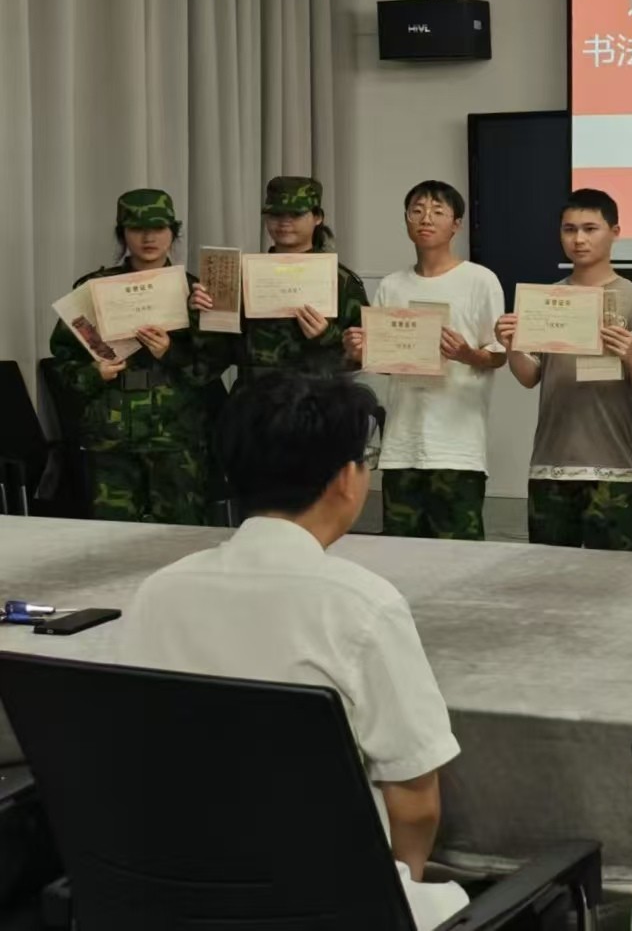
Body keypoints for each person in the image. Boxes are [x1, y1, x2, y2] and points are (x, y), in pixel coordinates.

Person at [117, 372, 469, 928]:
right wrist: (399, 893)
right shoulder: (361, 606)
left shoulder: (158, 593)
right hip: (327, 906)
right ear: (346, 479)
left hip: (171, 901)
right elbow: (415, 803)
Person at [495, 189, 632, 551]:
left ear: (615, 232)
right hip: (550, 464)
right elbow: (529, 377)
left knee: (612, 574)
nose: (579, 239)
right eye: (569, 229)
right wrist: (511, 346)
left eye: (590, 228)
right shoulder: (545, 300)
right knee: (549, 574)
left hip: (611, 465)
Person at [48, 189, 226, 525]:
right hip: (111, 434)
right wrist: (94, 372)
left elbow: (214, 364)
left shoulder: (196, 292)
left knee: (181, 536)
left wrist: (170, 352)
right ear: (122, 233)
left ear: (173, 232)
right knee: (112, 537)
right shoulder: (93, 289)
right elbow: (62, 361)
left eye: (158, 228)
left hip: (176, 435)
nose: (148, 238)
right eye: (137, 229)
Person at [342, 181, 506, 541]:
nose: (426, 218)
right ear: (406, 220)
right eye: (416, 211)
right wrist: (361, 352)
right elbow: (385, 360)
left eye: (437, 211)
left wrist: (466, 354)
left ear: (456, 224)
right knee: (401, 553)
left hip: (457, 448)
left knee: (459, 555)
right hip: (401, 445)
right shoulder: (392, 285)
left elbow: (498, 354)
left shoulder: (480, 280)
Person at [192, 176, 368, 382]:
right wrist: (201, 311)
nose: (284, 222)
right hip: (255, 395)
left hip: (317, 395)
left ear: (318, 217)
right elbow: (217, 353)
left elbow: (364, 355)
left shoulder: (341, 280)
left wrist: (327, 335)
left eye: (296, 214)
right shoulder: (242, 276)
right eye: (275, 214)